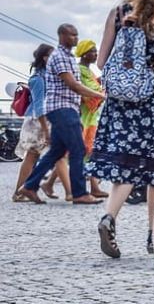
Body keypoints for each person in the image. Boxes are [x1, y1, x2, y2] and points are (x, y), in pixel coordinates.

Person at [90, 0, 154, 258]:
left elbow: (101, 62)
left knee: (124, 162)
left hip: (120, 100)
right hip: (153, 98)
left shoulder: (117, 15)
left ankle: (109, 216)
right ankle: (153, 236)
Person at [14, 24, 106, 206]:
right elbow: (73, 85)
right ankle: (79, 193)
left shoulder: (68, 57)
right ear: (62, 36)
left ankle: (29, 186)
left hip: (65, 108)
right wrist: (100, 95)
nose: (75, 38)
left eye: (76, 35)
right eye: (72, 35)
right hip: (62, 108)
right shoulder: (60, 57)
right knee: (78, 149)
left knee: (56, 152)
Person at [12, 44, 54, 202]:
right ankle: (20, 191)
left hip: (40, 120)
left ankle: (24, 190)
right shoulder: (38, 79)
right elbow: (38, 105)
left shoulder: (45, 77)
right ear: (45, 58)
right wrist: (45, 128)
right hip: (36, 121)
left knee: (33, 157)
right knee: (31, 156)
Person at [75, 39, 109, 198]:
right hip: (85, 117)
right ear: (83, 53)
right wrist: (101, 91)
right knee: (86, 150)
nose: (95, 54)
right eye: (92, 51)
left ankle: (94, 186)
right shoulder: (80, 70)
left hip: (92, 117)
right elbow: (90, 91)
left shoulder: (89, 72)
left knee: (88, 151)